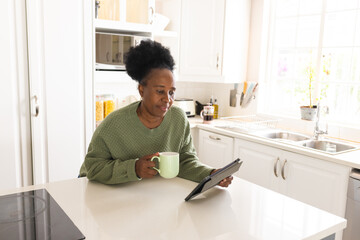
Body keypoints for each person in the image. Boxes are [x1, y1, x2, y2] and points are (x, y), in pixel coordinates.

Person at [79, 40, 232, 187]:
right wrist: (133, 168)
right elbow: (92, 167)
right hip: (98, 193)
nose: (167, 99)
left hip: (152, 195)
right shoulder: (113, 124)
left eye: (171, 92)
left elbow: (185, 161)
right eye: (160, 91)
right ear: (141, 90)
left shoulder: (178, 119)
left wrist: (211, 174)